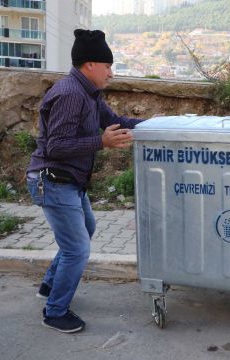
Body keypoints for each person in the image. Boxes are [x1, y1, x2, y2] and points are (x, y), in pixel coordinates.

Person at [26, 29, 145, 333]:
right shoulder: (69, 94)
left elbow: (116, 122)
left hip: (69, 181)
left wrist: (159, 124)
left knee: (86, 230)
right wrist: (101, 143)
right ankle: (54, 311)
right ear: (90, 65)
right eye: (108, 67)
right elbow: (56, 146)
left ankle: (50, 285)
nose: (111, 73)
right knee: (77, 249)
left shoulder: (90, 94)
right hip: (52, 180)